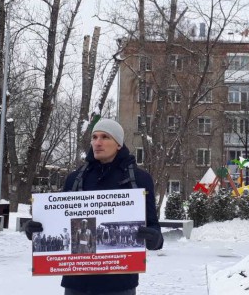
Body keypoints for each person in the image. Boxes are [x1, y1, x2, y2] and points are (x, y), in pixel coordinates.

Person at [25, 118, 163, 295]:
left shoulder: (139, 179)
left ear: (119, 144)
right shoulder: (74, 179)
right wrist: (35, 230)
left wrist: (154, 239)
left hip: (119, 283)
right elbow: (59, 220)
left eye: (105, 137)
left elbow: (153, 227)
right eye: (94, 137)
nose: (97, 142)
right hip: (77, 283)